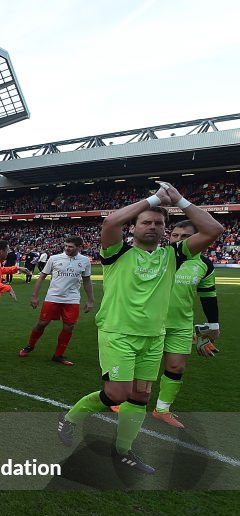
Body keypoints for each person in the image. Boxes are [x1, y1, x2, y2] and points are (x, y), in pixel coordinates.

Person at [58, 183, 223, 474]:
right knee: (116, 395)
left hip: (154, 337)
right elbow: (110, 222)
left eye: (159, 223)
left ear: (165, 228)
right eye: (146, 222)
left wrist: (181, 200)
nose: (153, 226)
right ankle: (70, 418)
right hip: (118, 334)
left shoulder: (173, 255)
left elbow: (213, 230)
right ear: (133, 227)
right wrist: (154, 199)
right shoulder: (116, 252)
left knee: (140, 397)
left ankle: (122, 451)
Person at [140, 220, 219, 428]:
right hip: (149, 321)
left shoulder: (205, 264)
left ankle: (162, 410)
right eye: (174, 236)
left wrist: (213, 325)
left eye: (185, 237)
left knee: (176, 366)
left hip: (182, 323)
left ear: (197, 239)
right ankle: (125, 401)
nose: (178, 240)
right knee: (143, 367)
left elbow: (208, 295)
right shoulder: (158, 257)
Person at [19, 236, 95, 366]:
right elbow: (42, 277)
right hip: (53, 297)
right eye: (66, 246)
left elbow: (87, 281)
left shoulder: (85, 261)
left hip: (72, 298)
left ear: (79, 247)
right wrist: (34, 296)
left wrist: (90, 300)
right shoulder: (54, 258)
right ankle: (30, 346)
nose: (67, 248)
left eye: (70, 246)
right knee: (42, 323)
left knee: (69, 326)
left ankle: (58, 355)